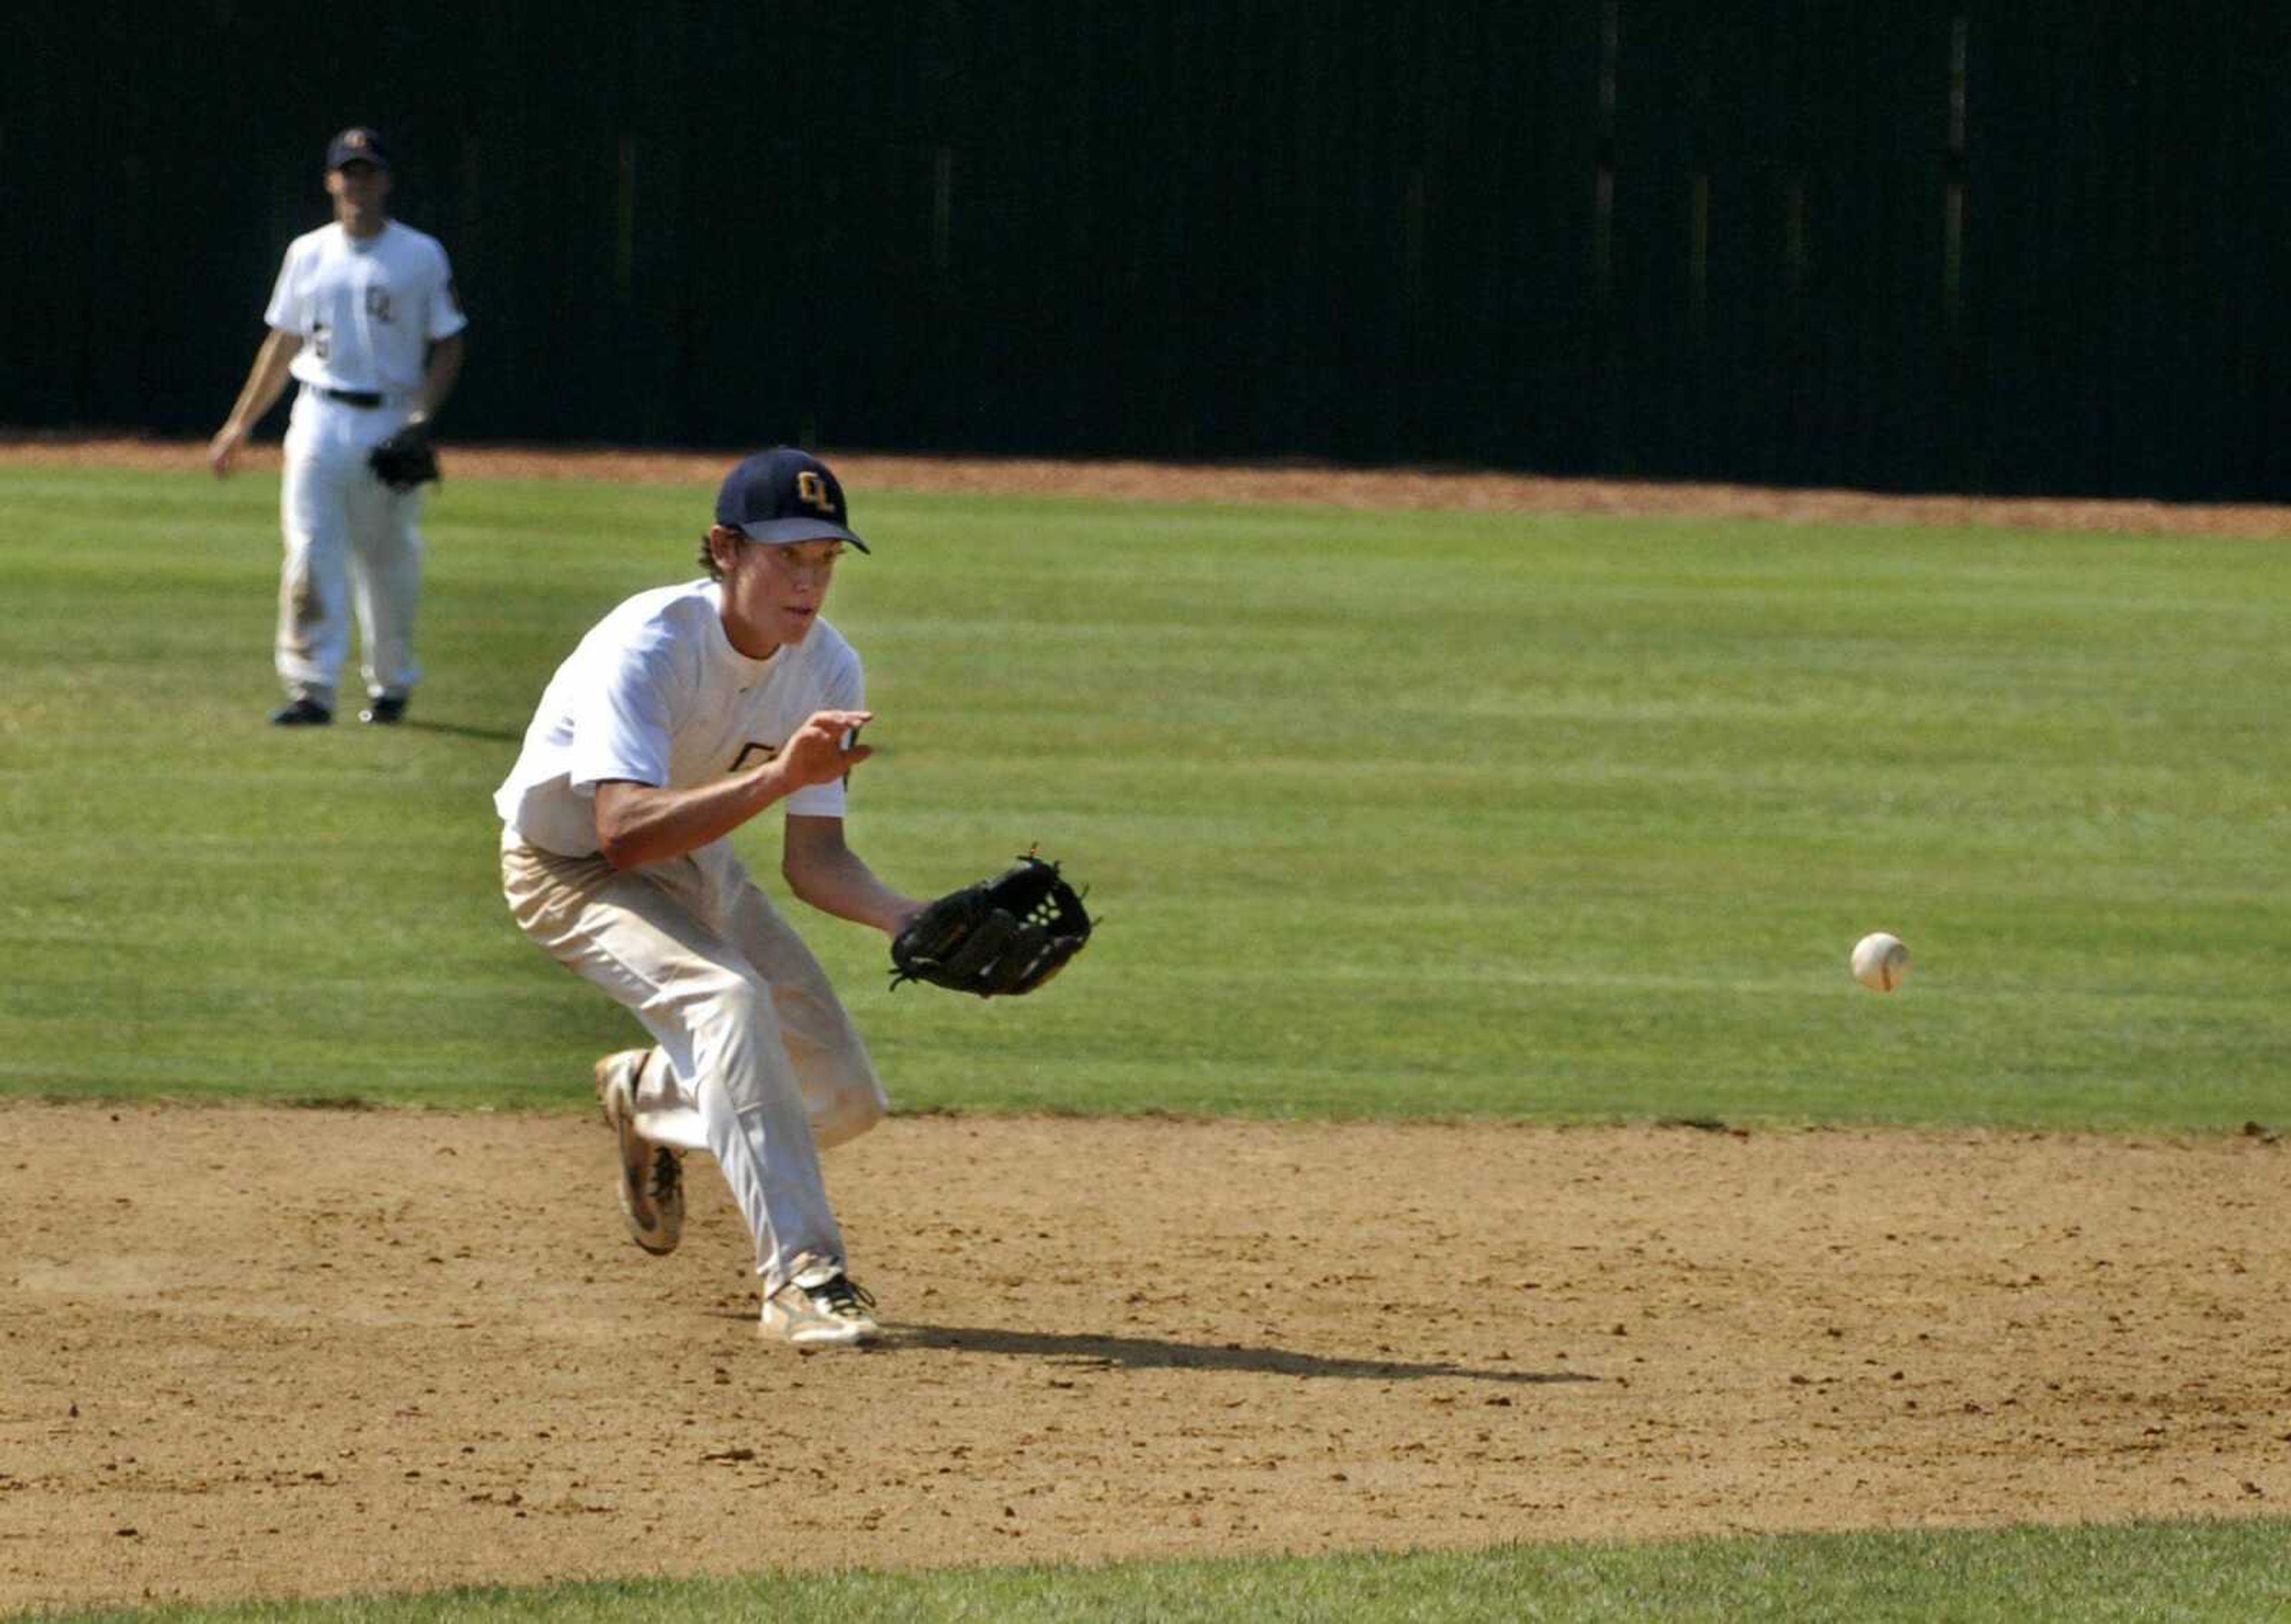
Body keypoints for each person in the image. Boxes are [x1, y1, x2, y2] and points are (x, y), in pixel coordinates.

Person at [494, 447, 925, 1348]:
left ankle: (650, 1094)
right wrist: (778, 781)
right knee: (724, 998)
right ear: (727, 549)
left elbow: (818, 863)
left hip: (695, 866)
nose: (810, 583)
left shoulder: (829, 667)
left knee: (847, 1099)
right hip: (566, 867)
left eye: (827, 560)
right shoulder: (651, 643)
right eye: (789, 556)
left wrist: (909, 919)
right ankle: (803, 1279)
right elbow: (621, 830)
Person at [209, 126, 468, 726]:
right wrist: (239, 425)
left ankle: (391, 685)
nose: (358, 182)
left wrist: (421, 419)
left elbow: (450, 343)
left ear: (386, 181)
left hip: (389, 416)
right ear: (331, 180)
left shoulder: (419, 255)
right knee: (309, 550)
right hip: (318, 413)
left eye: (368, 171)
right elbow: (283, 341)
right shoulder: (309, 252)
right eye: (347, 171)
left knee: (389, 559)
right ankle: (312, 688)